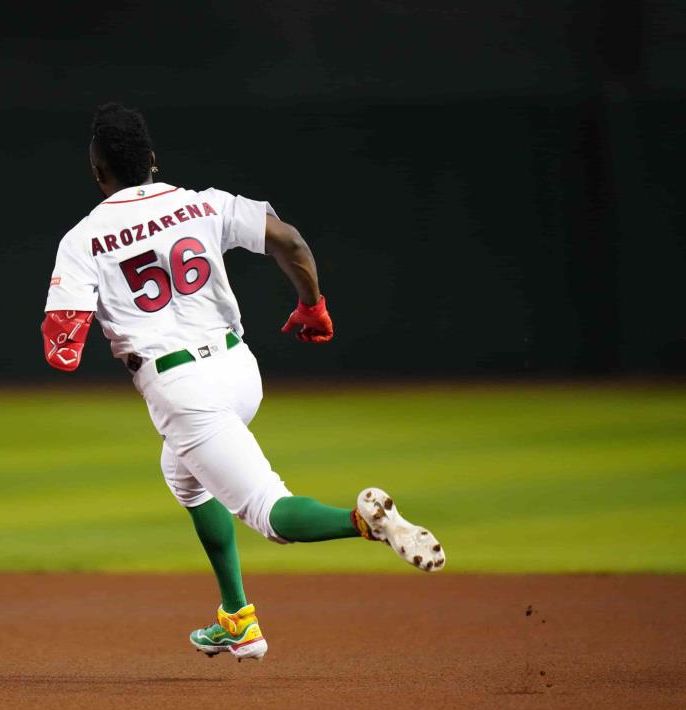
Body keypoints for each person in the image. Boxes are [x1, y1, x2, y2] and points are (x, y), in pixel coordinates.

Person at [40, 103, 444, 661]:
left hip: (182, 388)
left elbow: (62, 345)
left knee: (269, 513)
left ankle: (368, 523)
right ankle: (238, 619)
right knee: (181, 474)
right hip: (239, 369)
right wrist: (313, 306)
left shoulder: (82, 239)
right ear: (153, 160)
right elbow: (292, 241)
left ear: (95, 171)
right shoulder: (204, 203)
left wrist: (77, 330)